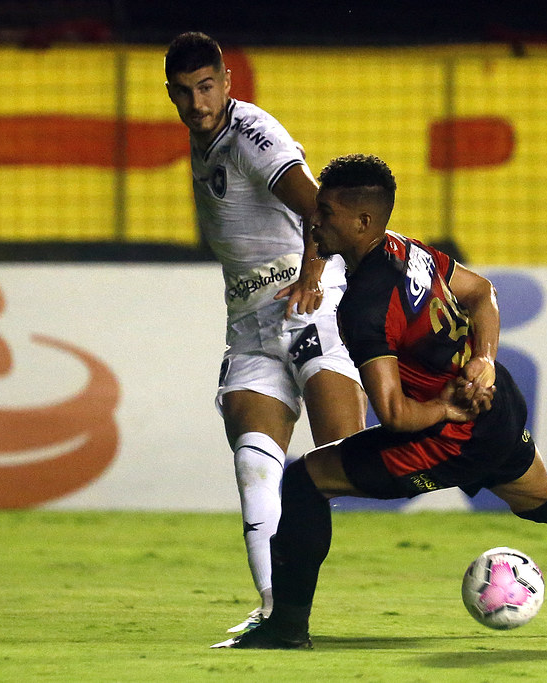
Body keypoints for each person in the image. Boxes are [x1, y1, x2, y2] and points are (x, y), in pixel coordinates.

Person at [217, 153, 547, 650]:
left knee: (305, 481)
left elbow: (395, 415)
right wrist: (486, 360)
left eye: (325, 211)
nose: (314, 219)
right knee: (542, 498)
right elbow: (482, 292)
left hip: (446, 435)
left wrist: (442, 410)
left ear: (363, 221)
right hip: (495, 405)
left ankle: (285, 630)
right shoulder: (405, 250)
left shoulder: (364, 304)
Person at [164, 33, 367, 633]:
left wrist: (309, 276)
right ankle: (278, 614)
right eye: (185, 92)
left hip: (308, 306)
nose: (198, 103)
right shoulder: (204, 142)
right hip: (250, 326)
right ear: (171, 95)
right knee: (255, 468)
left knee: (345, 455)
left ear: (227, 83)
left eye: (207, 87)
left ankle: (438, 426)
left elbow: (320, 207)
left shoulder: (253, 136)